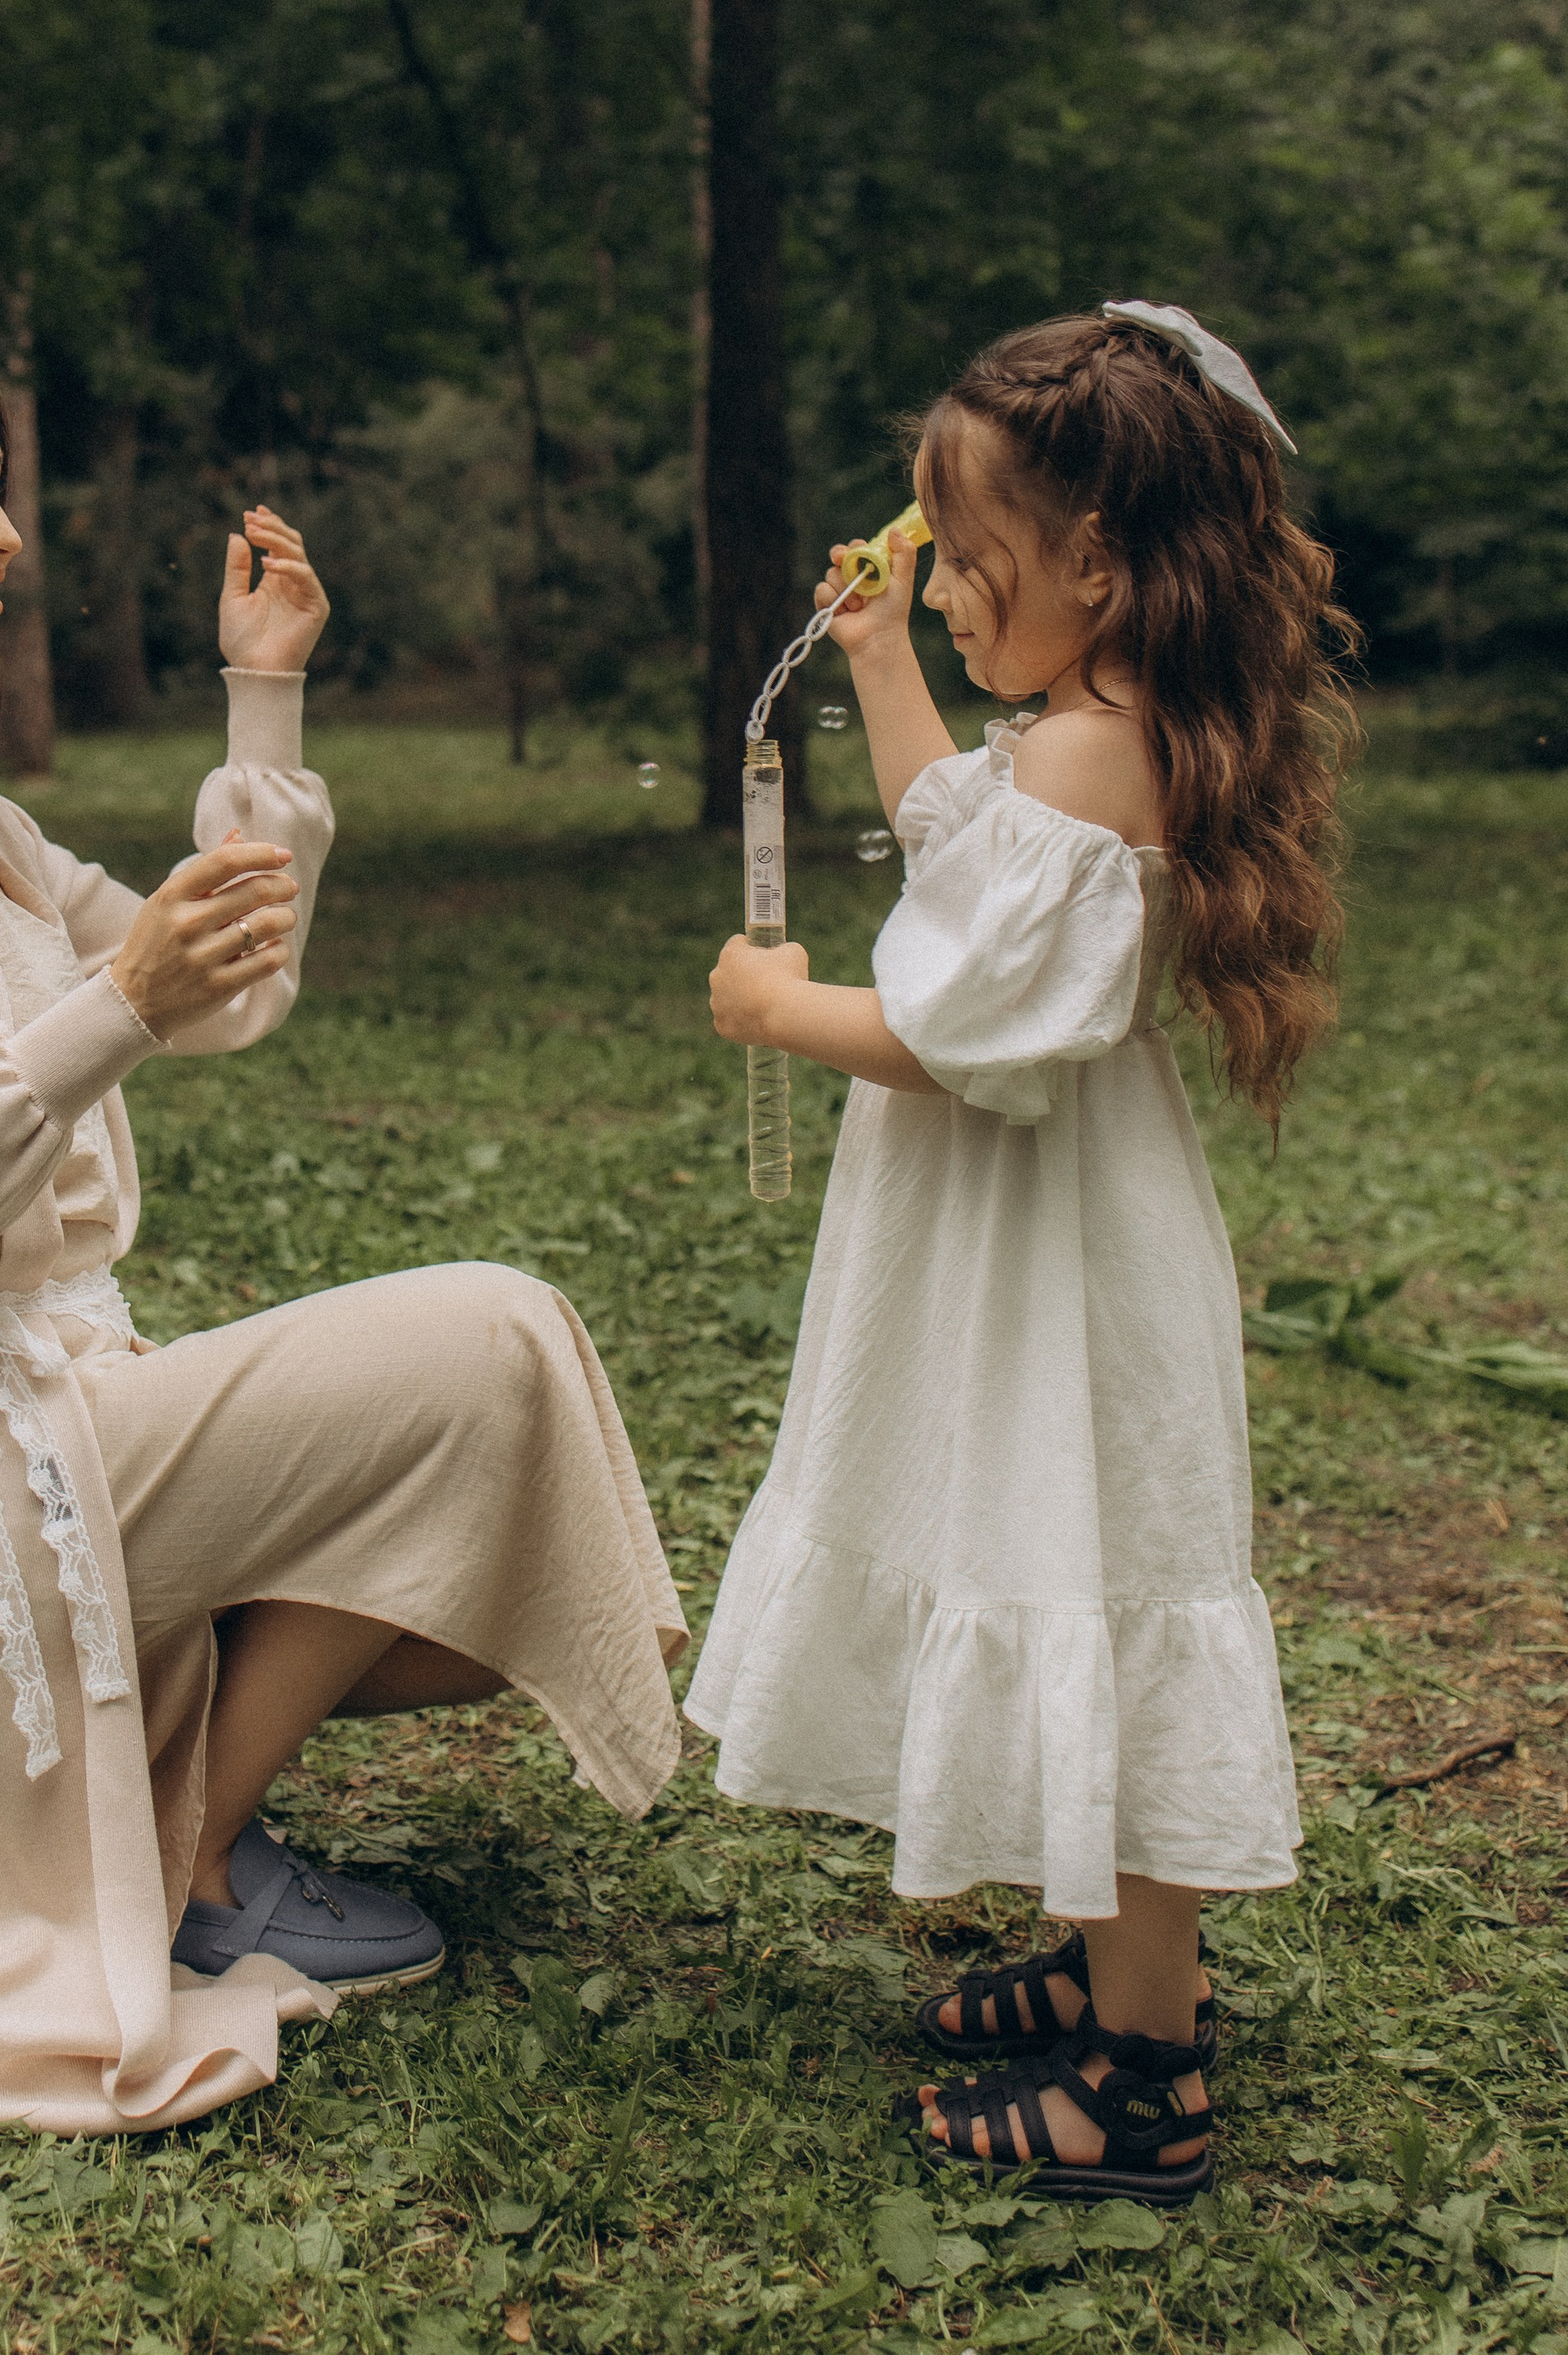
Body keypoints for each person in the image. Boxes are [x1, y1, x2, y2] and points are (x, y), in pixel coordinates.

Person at [0, 316, 685, 2135]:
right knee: (487, 1349)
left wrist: (262, 702)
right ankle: (186, 1861)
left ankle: (158, 1811)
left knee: (484, 1505)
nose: (0, 525)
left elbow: (214, 985)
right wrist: (111, 1012)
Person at [687, 304, 1355, 2205]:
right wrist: (883, 660)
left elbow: (956, 1027)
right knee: (1045, 1554)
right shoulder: (1078, 735)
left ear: (1102, 564)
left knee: (1096, 1590)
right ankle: (1099, 1968)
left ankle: (1143, 2068)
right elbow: (948, 845)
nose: (949, 591)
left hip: (1056, 1264)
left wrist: (777, 1010)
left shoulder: (1096, 760)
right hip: (1025, 1251)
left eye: (968, 565)